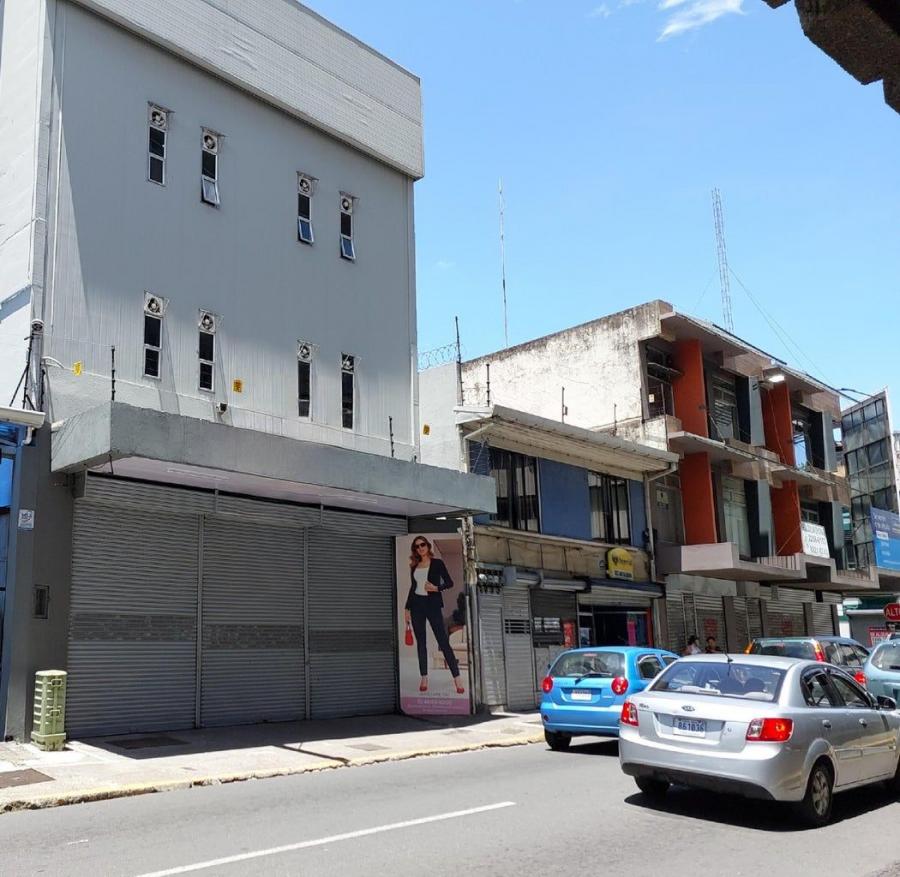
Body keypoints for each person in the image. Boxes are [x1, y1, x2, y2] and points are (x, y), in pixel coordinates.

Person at [404, 536, 465, 695]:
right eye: (417, 547)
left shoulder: (437, 563)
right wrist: (407, 608)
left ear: (428, 546)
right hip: (417, 606)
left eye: (422, 545)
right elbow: (413, 588)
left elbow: (449, 582)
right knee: (421, 643)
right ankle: (424, 678)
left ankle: (457, 679)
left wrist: (436, 588)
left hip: (432, 606)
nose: (420, 548)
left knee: (443, 642)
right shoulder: (415, 566)